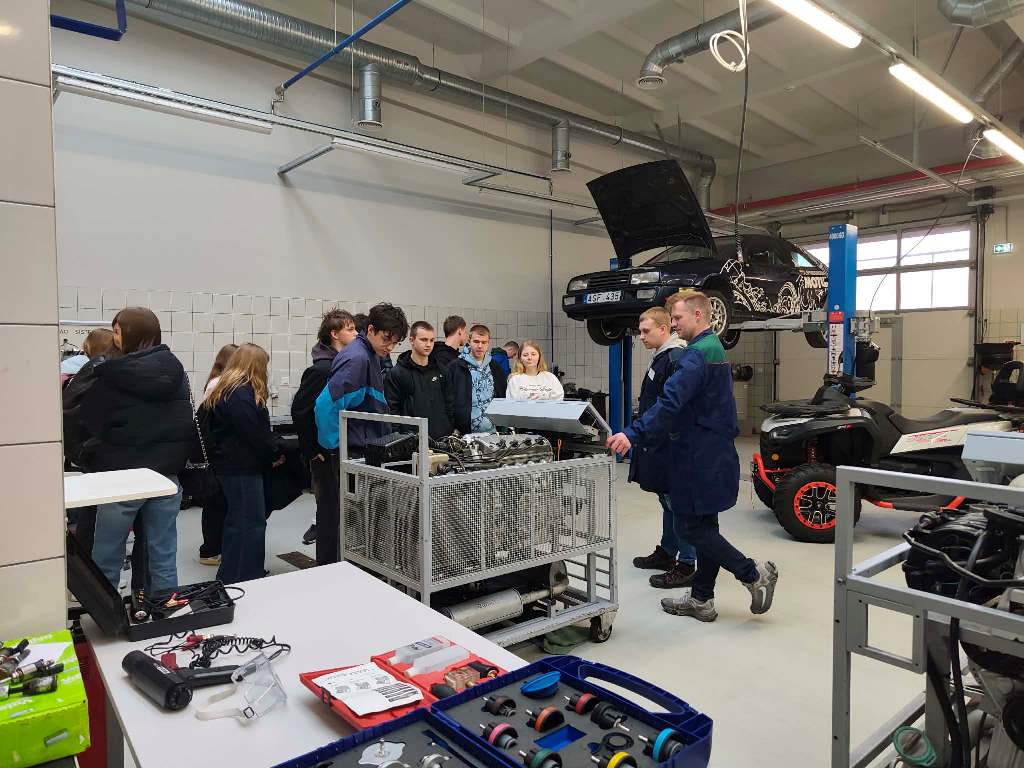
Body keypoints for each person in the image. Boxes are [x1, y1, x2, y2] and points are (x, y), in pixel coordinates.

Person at [606, 291, 779, 622]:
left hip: (698, 454)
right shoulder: (712, 348)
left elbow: (671, 402)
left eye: (677, 318)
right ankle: (702, 599)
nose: (673, 324)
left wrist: (632, 433)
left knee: (689, 527)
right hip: (711, 450)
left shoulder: (696, 356)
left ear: (698, 315)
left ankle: (753, 573)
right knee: (705, 525)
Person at [80, 308, 194, 595]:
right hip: (166, 476)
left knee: (107, 555)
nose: (115, 337)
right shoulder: (176, 371)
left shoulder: (110, 374)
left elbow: (91, 420)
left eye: (117, 331)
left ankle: (105, 614)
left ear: (131, 334)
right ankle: (164, 609)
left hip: (123, 477)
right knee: (163, 555)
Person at [314, 302, 408, 564]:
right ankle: (333, 576)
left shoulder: (369, 355)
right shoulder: (358, 358)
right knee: (343, 523)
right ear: (371, 329)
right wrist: (335, 448)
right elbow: (325, 405)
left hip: (358, 449)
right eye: (386, 339)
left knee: (352, 522)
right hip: (348, 453)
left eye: (395, 342)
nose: (390, 347)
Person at [627, 308, 698, 589]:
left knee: (677, 503)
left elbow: (671, 406)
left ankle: (687, 563)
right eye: (640, 331)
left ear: (663, 329)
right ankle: (668, 552)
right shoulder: (662, 357)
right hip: (657, 441)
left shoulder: (675, 358)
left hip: (672, 444)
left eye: (646, 331)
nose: (641, 336)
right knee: (666, 499)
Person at [205, 344, 284, 584]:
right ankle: (248, 575)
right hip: (242, 468)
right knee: (250, 523)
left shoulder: (225, 390)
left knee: (237, 522)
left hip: (230, 466)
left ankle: (231, 574)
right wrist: (274, 452)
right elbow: (253, 433)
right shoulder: (241, 394)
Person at [291, 309, 357, 549]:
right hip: (324, 454)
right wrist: (311, 449)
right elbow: (300, 410)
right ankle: (327, 563)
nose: (356, 333)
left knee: (342, 514)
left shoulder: (343, 365)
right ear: (334, 334)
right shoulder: (322, 370)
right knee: (329, 515)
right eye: (350, 329)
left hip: (340, 450)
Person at [62, 328, 116, 556]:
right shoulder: (102, 372)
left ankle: (84, 560)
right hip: (97, 451)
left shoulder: (71, 370)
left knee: (88, 510)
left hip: (78, 450)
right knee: (100, 514)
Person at [194, 344, 238, 566]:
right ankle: (211, 550)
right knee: (216, 504)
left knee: (215, 503)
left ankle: (212, 548)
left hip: (214, 453)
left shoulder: (214, 382)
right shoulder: (221, 384)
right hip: (218, 454)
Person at [385, 321, 455, 439]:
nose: (428, 344)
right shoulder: (397, 373)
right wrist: (399, 438)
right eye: (423, 340)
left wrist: (449, 428)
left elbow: (450, 403)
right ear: (412, 340)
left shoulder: (441, 370)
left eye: (432, 340)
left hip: (441, 439)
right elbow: (392, 410)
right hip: (411, 440)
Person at [448, 324, 508, 434]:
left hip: (493, 432)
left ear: (488, 343)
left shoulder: (495, 367)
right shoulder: (455, 367)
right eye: (476, 341)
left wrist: (503, 427)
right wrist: (452, 426)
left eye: (484, 342)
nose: (480, 346)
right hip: (464, 433)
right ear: (469, 341)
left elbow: (502, 398)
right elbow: (448, 399)